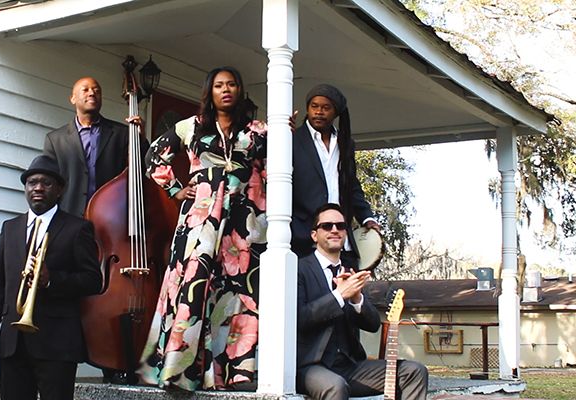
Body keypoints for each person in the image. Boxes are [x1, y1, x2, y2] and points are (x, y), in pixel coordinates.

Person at [137, 66, 267, 391]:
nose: (226, 90)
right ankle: (180, 370)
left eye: (232, 84)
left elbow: (272, 167)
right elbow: (153, 156)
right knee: (195, 285)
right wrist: (175, 189)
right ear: (210, 92)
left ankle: (233, 372)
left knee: (237, 290)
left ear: (240, 90)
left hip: (241, 222)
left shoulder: (256, 131)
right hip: (200, 219)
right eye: (219, 85)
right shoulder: (190, 126)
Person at [0, 155, 102, 400]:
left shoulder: (78, 228)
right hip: (13, 342)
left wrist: (52, 279)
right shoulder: (10, 228)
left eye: (46, 183)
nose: (38, 188)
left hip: (57, 342)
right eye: (32, 182)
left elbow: (93, 280)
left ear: (59, 190)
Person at [296, 203, 428, 400]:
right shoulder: (299, 269)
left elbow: (373, 325)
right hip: (311, 366)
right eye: (327, 226)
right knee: (336, 387)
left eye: (341, 226)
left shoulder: (351, 272)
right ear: (314, 235)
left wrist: (357, 299)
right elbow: (300, 318)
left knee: (414, 371)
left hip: (350, 366)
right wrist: (339, 295)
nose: (335, 230)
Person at [291, 84, 381, 266]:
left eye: (326, 108)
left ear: (336, 112)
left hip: (340, 239)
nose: (319, 112)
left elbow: (352, 186)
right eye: (314, 106)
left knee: (348, 283)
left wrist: (367, 218)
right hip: (304, 238)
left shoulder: (344, 143)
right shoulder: (293, 139)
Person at [42, 76, 146, 217]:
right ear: (73, 99)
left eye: (96, 91)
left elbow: (140, 170)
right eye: (85, 90)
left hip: (110, 217)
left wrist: (140, 139)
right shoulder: (55, 139)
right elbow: (48, 183)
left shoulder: (122, 133)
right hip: (68, 217)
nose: (92, 93)